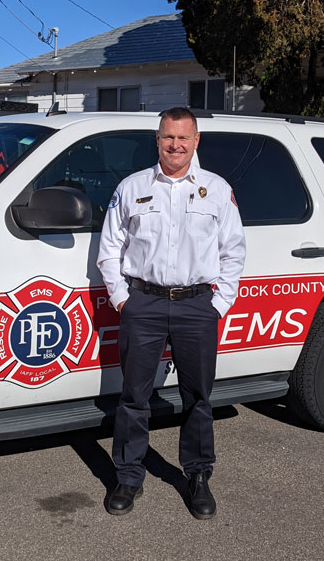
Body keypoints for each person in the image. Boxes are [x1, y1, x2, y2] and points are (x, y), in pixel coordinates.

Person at [96, 107, 246, 519]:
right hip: (143, 303)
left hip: (197, 305)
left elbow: (234, 252)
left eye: (183, 138)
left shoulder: (217, 190)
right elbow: (110, 249)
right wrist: (123, 299)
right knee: (133, 396)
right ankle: (127, 476)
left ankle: (198, 476)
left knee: (197, 397)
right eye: (168, 137)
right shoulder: (132, 187)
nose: (175, 145)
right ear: (157, 140)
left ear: (196, 141)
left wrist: (218, 304)